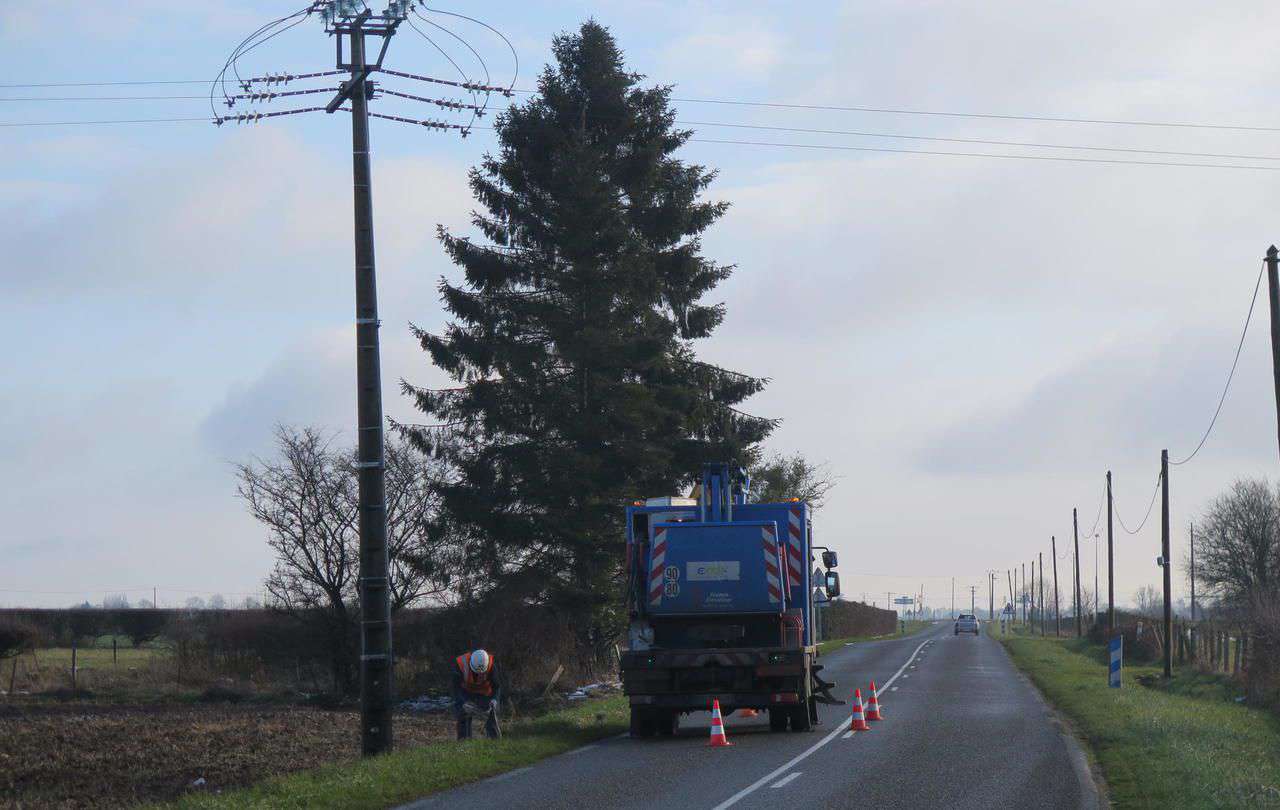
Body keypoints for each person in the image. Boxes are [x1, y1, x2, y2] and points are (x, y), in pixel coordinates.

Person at [452, 648, 503, 739]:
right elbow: (455, 687)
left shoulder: (491, 665)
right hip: (465, 692)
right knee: (462, 711)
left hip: (485, 693)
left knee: (492, 711)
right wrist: (463, 701)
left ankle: (494, 739)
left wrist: (494, 700)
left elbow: (496, 686)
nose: (478, 675)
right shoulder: (460, 663)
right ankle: (463, 740)